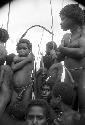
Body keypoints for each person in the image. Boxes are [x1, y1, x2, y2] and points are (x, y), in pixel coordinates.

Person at [56, 4, 85, 115]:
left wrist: (62, 48)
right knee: (67, 107)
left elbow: (82, 52)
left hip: (82, 74)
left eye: (63, 19)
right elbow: (60, 58)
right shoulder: (66, 36)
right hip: (69, 75)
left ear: (73, 18)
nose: (61, 22)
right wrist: (57, 53)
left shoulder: (83, 32)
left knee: (83, 108)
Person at [7, 38, 34, 120]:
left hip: (26, 88)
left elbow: (30, 59)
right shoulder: (19, 59)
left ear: (29, 50)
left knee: (25, 108)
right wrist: (26, 60)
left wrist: (25, 59)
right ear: (17, 50)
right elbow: (13, 68)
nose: (22, 50)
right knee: (12, 107)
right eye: (20, 48)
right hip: (15, 88)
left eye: (24, 48)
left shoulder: (31, 58)